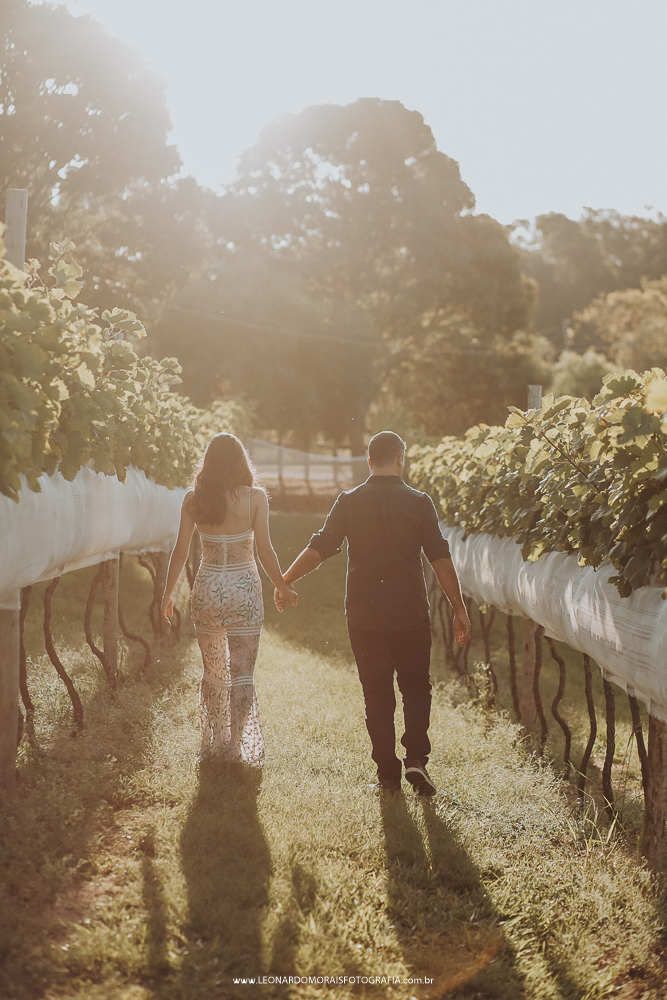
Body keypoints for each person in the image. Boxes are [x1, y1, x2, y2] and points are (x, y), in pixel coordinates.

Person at [275, 430, 471, 796]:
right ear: (400, 460)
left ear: (369, 461)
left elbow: (322, 546)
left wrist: (285, 579)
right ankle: (416, 759)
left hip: (364, 617)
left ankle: (387, 775)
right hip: (411, 613)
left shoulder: (349, 501)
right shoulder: (419, 502)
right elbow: (439, 557)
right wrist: (459, 608)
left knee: (376, 694)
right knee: (416, 687)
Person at [161, 433, 297, 765]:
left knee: (214, 673)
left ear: (209, 462)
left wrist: (166, 595)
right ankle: (237, 748)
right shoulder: (256, 498)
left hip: (207, 590)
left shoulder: (195, 499)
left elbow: (180, 552)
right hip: (245, 593)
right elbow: (265, 550)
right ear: (240, 461)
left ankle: (215, 745)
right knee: (242, 673)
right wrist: (282, 585)